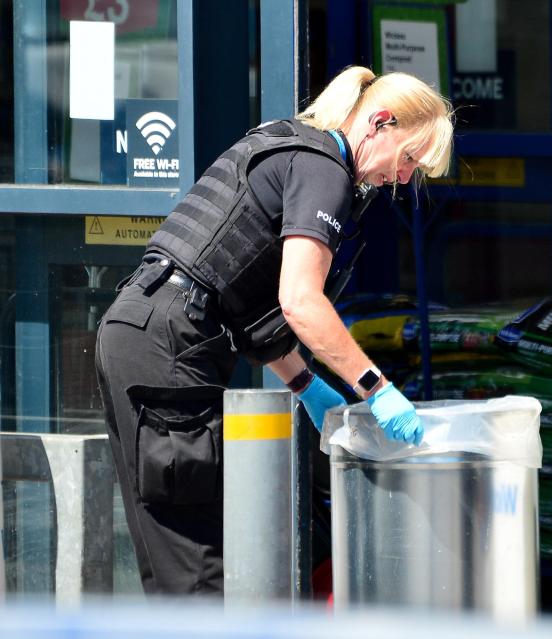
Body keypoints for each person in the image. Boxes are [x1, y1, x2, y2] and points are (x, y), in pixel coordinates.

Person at [95, 66, 454, 594]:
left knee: (174, 562)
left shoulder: (289, 145)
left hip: (145, 329)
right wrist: (376, 388)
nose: (402, 179)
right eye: (408, 159)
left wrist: (306, 385)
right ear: (380, 122)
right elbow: (300, 301)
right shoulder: (324, 170)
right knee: (197, 573)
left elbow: (247, 302)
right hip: (169, 346)